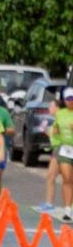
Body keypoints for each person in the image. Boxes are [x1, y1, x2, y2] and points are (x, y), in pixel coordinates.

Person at [43, 88, 73, 221]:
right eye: (68, 99)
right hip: (64, 149)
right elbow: (55, 130)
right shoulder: (60, 114)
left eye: (72, 98)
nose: (70, 101)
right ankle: (68, 210)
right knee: (67, 178)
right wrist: (53, 131)